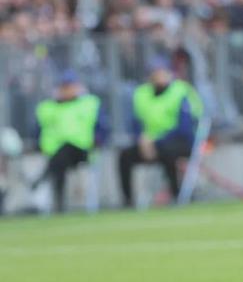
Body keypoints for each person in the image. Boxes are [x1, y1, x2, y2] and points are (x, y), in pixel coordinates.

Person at [118, 57, 202, 207]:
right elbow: (136, 123)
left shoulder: (180, 91)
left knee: (166, 151)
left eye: (162, 72)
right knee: (125, 156)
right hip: (149, 144)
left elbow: (184, 128)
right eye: (155, 73)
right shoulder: (141, 94)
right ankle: (128, 201)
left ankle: (177, 195)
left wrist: (155, 141)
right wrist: (142, 139)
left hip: (179, 142)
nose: (159, 77)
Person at [32, 70, 109, 213]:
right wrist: (39, 146)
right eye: (64, 87)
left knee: (64, 151)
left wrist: (97, 141)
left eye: (70, 86)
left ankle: (45, 180)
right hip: (53, 154)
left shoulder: (89, 103)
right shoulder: (47, 107)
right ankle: (59, 203)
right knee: (60, 158)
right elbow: (37, 132)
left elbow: (103, 128)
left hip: (83, 150)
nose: (67, 90)